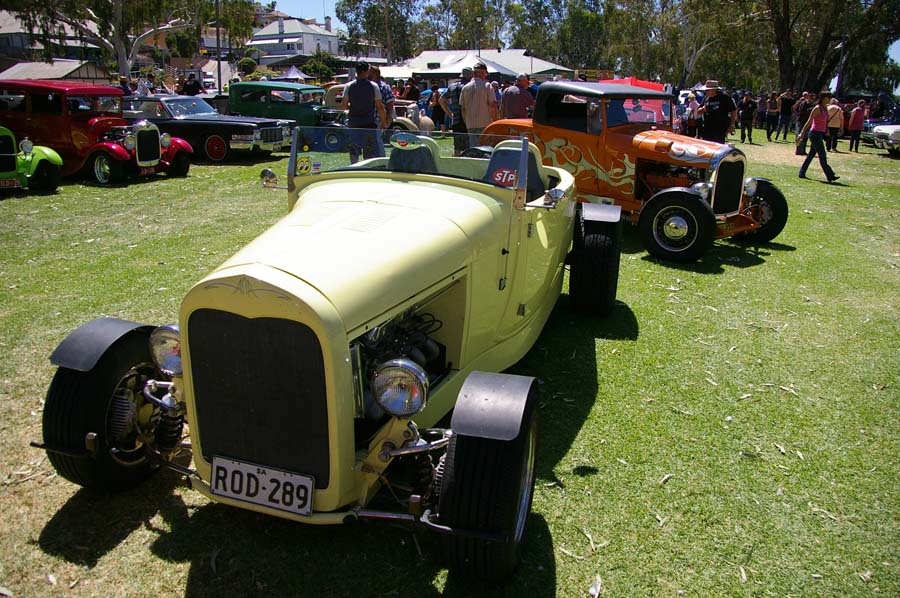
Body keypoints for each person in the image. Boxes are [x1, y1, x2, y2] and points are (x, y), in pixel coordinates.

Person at [340, 61, 387, 164]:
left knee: (354, 153)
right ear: (366, 72)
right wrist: (384, 122)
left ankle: (353, 171)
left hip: (353, 124)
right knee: (369, 154)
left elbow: (343, 106)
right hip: (368, 124)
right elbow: (379, 106)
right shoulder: (373, 86)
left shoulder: (349, 86)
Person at [798, 91, 839, 183]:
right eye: (828, 97)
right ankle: (830, 175)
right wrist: (802, 133)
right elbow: (809, 121)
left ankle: (802, 172)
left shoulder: (825, 108)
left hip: (820, 133)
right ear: (823, 98)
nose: (830, 99)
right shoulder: (817, 108)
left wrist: (827, 130)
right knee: (822, 155)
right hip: (815, 133)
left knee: (811, 155)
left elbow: (825, 121)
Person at [459, 61, 498, 147]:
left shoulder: (465, 88)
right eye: (485, 73)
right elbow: (493, 106)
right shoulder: (487, 86)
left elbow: (463, 109)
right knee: (486, 149)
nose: (485, 75)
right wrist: (495, 122)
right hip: (485, 124)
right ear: (482, 72)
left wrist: (467, 122)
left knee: (474, 149)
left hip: (471, 124)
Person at [440, 66, 472, 156]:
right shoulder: (471, 87)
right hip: (469, 120)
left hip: (456, 120)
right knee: (470, 147)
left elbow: (441, 100)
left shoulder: (452, 87)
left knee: (457, 147)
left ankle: (456, 161)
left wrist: (450, 113)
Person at [368, 66, 395, 157]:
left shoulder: (384, 87)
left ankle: (381, 159)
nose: (368, 74)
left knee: (377, 140)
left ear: (375, 73)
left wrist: (387, 118)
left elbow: (390, 103)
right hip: (368, 118)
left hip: (379, 118)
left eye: (370, 72)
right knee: (371, 142)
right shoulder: (368, 85)